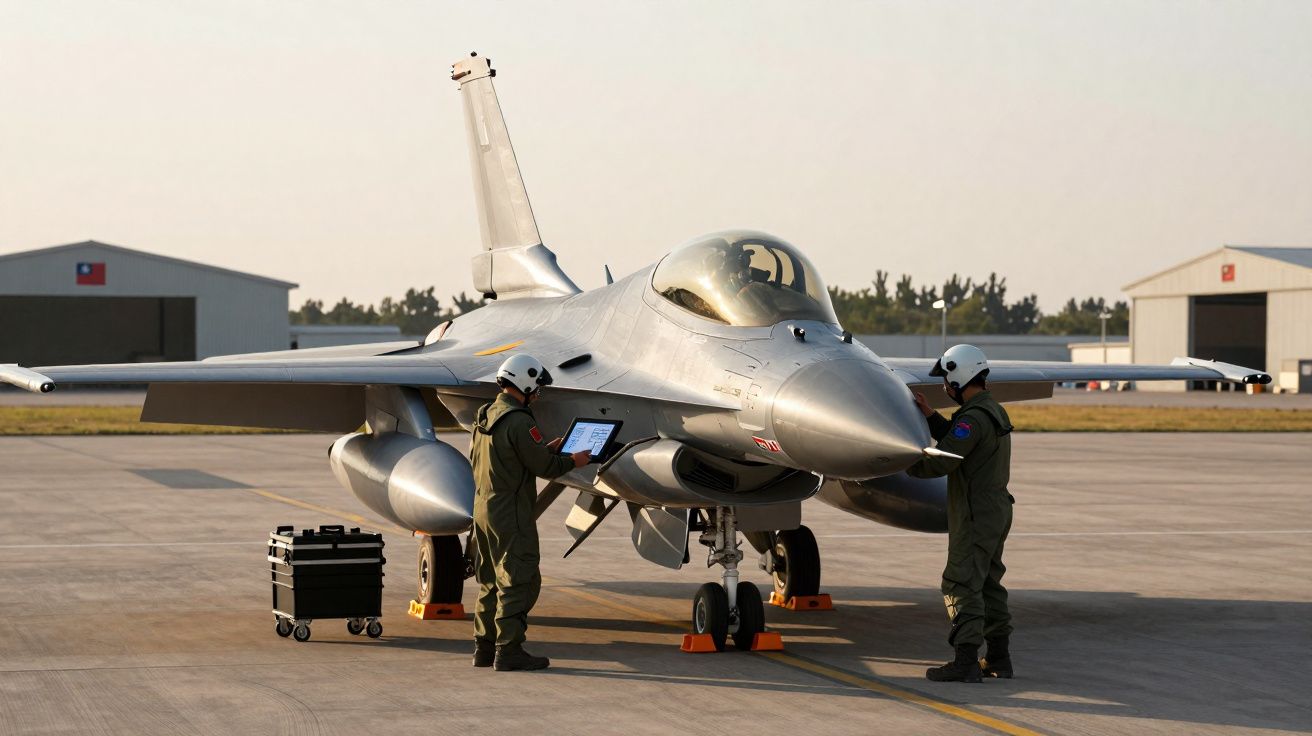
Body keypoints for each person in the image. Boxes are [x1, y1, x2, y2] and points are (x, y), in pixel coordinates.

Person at [469, 353, 590, 671]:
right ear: (523, 383)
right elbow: (545, 467)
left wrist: (544, 447)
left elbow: (509, 456)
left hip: (483, 507)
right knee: (518, 579)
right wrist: (573, 461)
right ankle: (508, 650)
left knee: (490, 579)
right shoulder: (520, 421)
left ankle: (484, 648)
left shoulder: (485, 415)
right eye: (536, 387)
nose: (538, 394)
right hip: (511, 511)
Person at [906, 344, 1016, 683]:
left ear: (959, 376)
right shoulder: (991, 411)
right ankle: (999, 658)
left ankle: (966, 661)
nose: (945, 388)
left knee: (960, 582)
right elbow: (959, 440)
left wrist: (899, 461)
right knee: (987, 583)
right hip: (996, 511)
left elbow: (944, 459)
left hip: (974, 515)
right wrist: (931, 417)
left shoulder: (972, 420)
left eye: (946, 380)